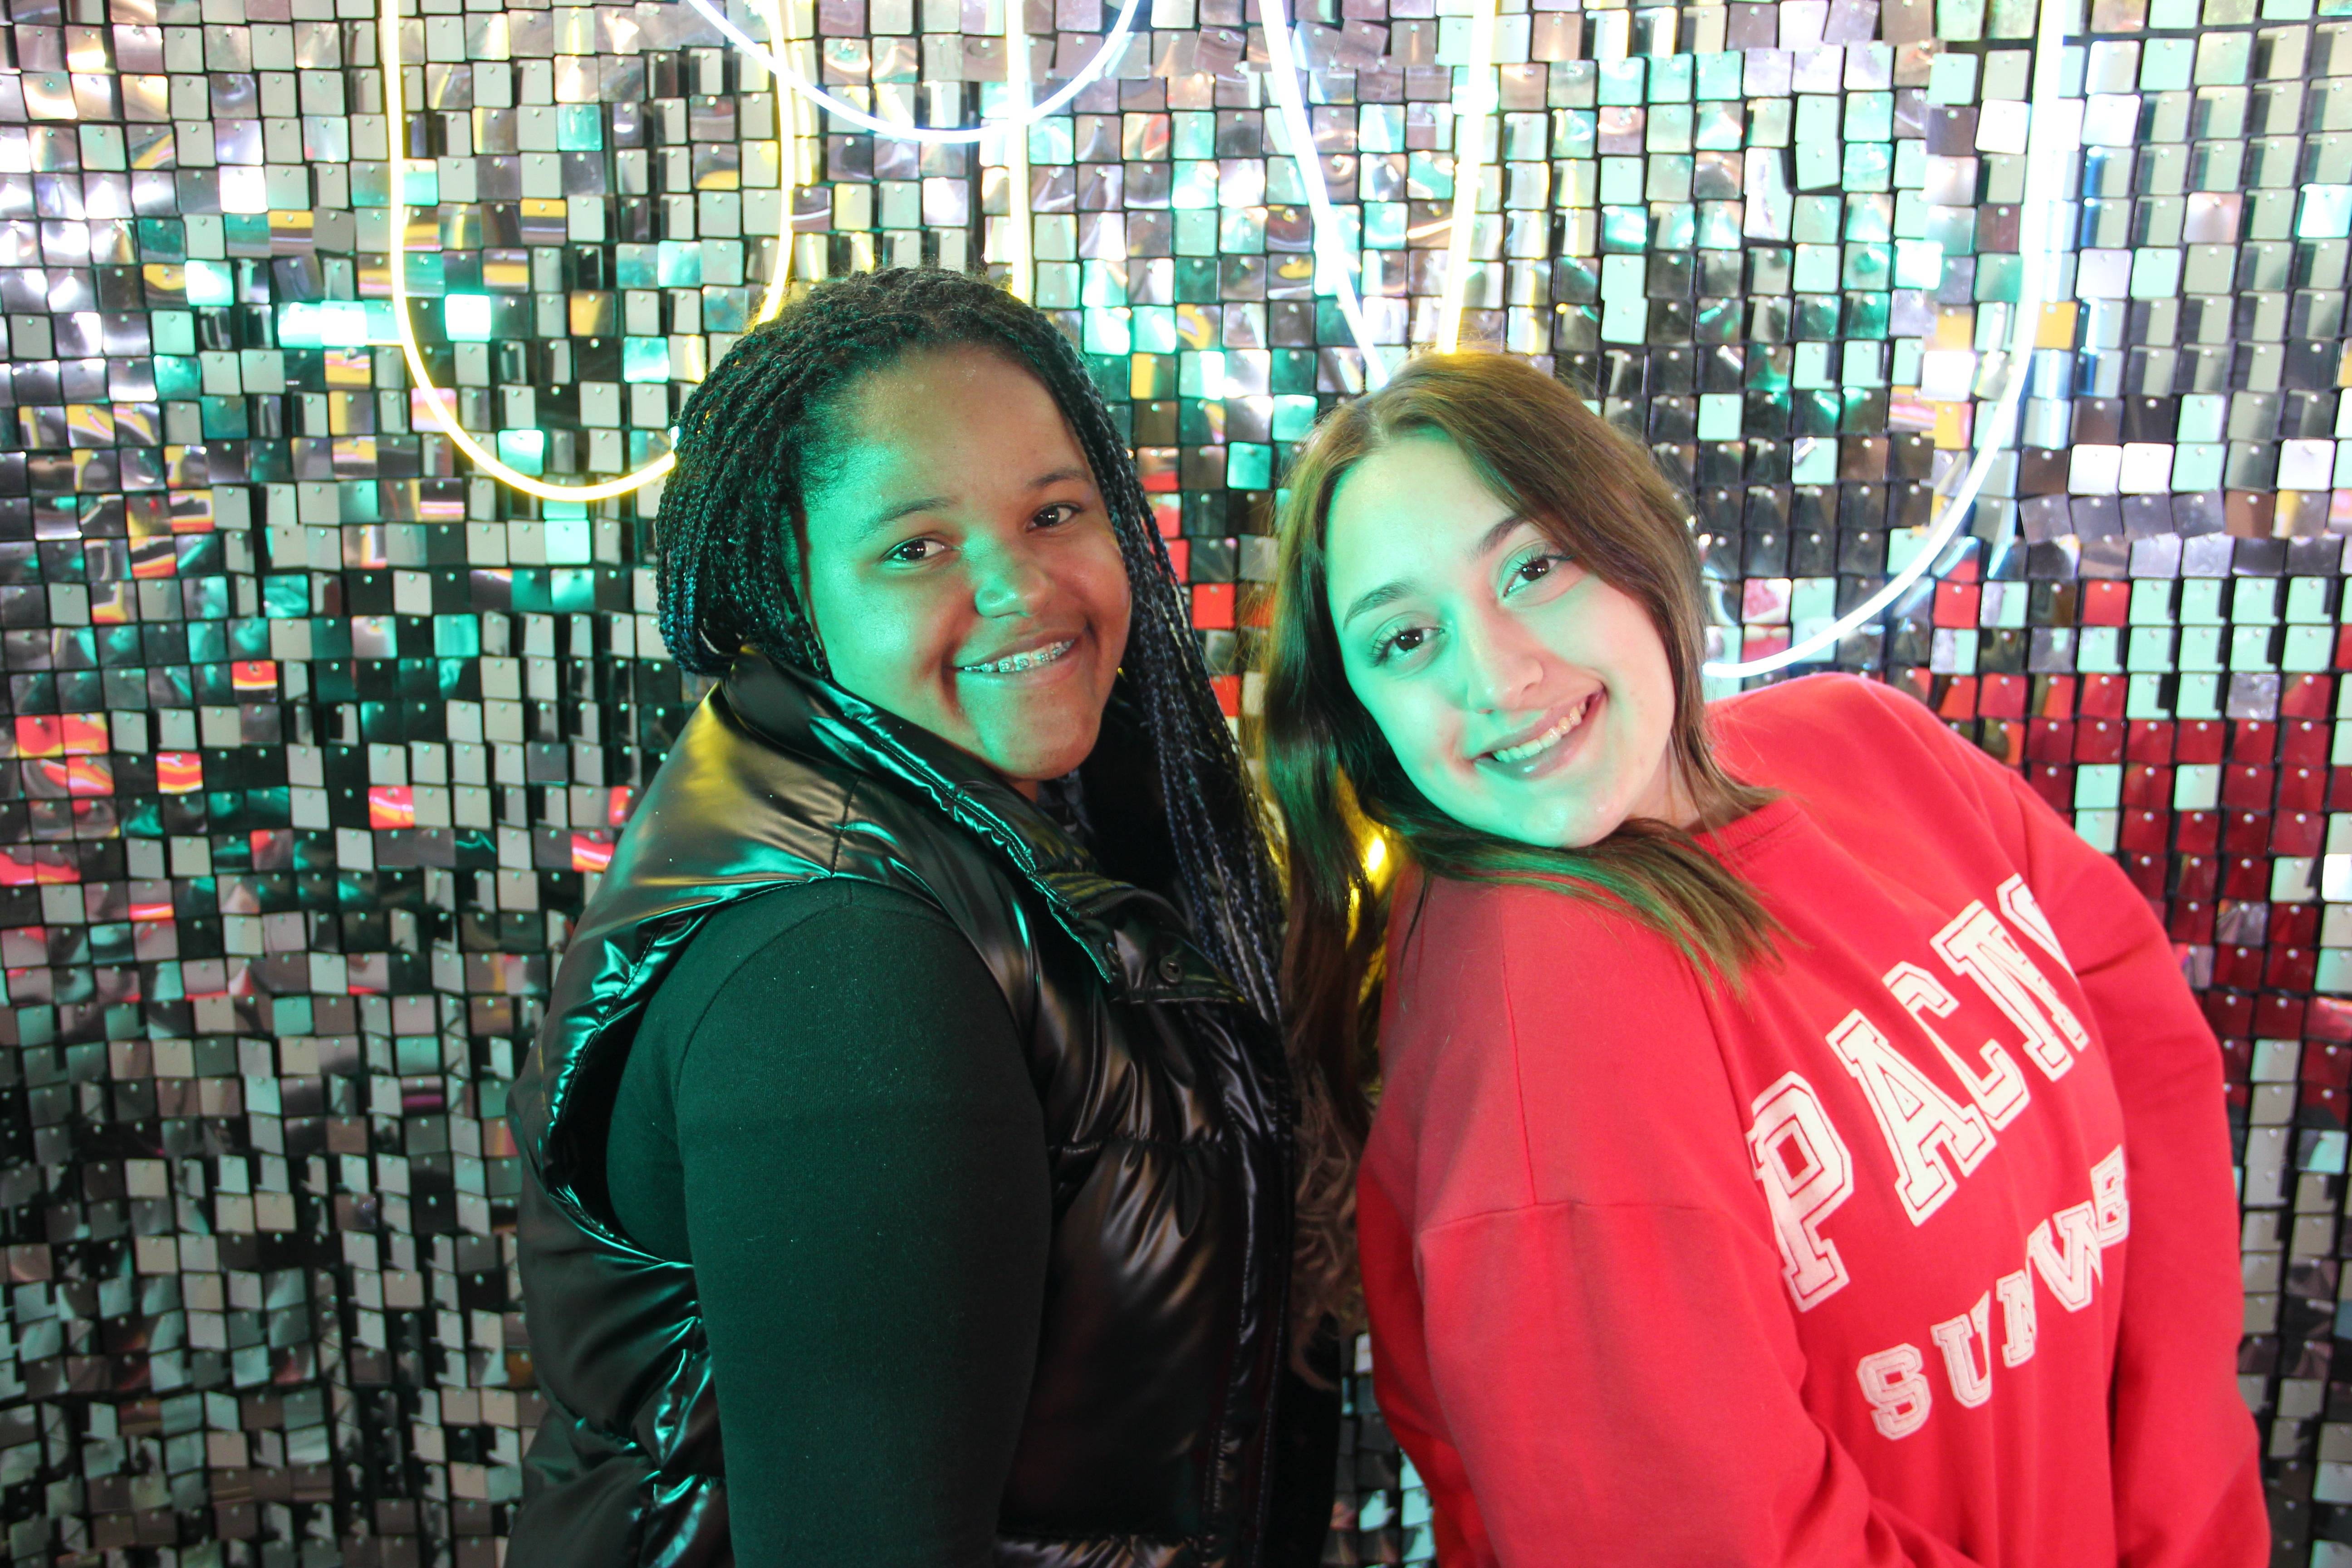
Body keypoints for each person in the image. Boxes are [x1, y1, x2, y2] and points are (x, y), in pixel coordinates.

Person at [1257, 351, 2264, 1566]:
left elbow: (2147, 1062)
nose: (1498, 674)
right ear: (1362, 710)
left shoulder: (1867, 742)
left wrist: (2184, 1522)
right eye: (1407, 637)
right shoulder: (1536, 1008)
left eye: (1535, 567)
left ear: (1633, 537)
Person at [505, 268, 1337, 1567]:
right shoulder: (842, 973)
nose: (1023, 588)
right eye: (917, 547)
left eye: (1055, 512)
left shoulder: (1004, 823)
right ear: (786, 591)